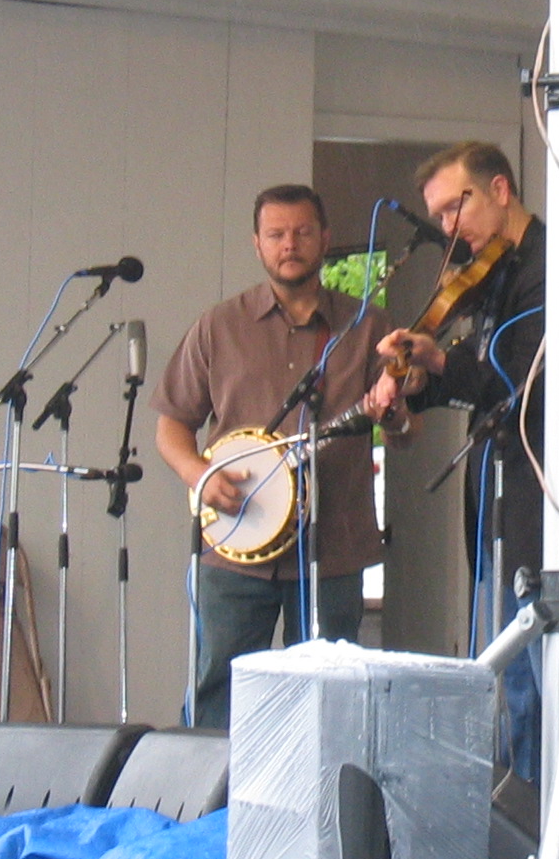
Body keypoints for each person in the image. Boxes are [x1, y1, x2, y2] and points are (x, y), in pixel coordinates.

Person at [364, 141, 559, 838]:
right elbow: (478, 383)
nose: (450, 227)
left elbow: (527, 392)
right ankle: (526, 850)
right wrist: (414, 387)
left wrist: (441, 362)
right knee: (516, 698)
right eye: (438, 214)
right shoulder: (491, 275)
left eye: (459, 205)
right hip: (505, 504)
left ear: (502, 190)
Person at [153, 183, 396, 728]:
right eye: (277, 235)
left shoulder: (368, 327)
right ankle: (210, 808)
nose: (291, 245)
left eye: (303, 232)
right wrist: (199, 474)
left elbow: (405, 432)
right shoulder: (218, 326)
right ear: (258, 245)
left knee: (331, 701)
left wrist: (394, 410)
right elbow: (172, 423)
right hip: (235, 546)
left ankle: (321, 810)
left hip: (333, 546)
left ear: (325, 239)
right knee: (220, 687)